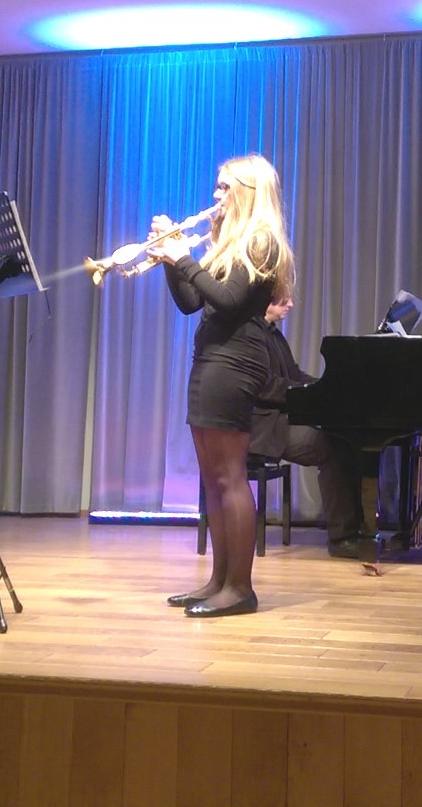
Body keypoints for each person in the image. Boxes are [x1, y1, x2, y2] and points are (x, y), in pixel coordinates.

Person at [148, 154, 293, 618]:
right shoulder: (229, 240)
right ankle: (218, 580)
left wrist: (184, 260)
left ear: (249, 191)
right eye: (218, 186)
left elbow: (229, 302)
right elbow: (192, 302)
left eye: (225, 187)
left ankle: (240, 588)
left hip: (236, 362)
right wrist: (170, 259)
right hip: (211, 359)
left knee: (230, 477)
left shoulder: (263, 242)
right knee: (212, 479)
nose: (216, 195)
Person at [252, 294, 380, 560]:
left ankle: (356, 528)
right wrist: (311, 391)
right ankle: (341, 538)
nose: (290, 304)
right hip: (264, 426)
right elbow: (265, 386)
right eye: (284, 299)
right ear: (266, 300)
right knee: (333, 445)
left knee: (347, 440)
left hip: (279, 418)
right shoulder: (252, 335)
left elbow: (294, 375)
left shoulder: (274, 334)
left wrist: (325, 387)